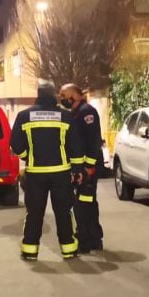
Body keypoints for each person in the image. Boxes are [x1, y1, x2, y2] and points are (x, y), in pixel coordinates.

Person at [9, 82, 85, 261]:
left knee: (34, 213)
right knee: (63, 213)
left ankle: (30, 251)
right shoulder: (65, 116)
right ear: (54, 96)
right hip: (61, 173)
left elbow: (15, 144)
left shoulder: (24, 116)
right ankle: (69, 250)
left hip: (36, 174)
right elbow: (75, 145)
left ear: (38, 95)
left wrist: (28, 156)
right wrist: (78, 169)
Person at [60, 84, 104, 253]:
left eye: (64, 95)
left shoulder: (87, 112)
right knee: (85, 203)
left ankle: (86, 240)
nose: (62, 99)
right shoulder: (75, 113)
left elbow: (94, 141)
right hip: (80, 168)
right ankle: (93, 238)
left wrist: (89, 166)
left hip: (88, 168)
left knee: (84, 203)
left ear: (74, 95)